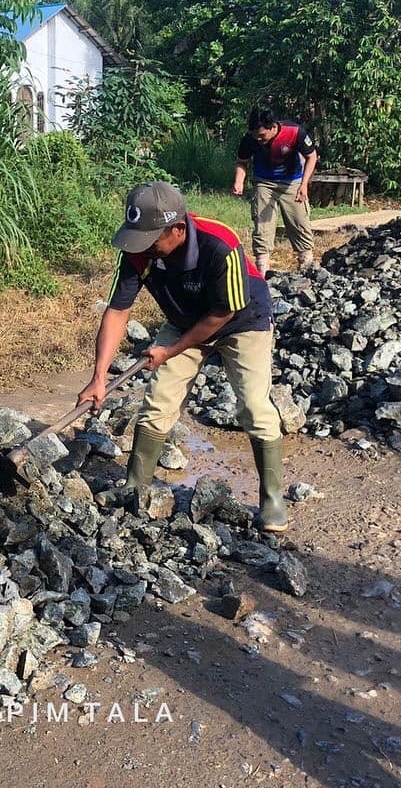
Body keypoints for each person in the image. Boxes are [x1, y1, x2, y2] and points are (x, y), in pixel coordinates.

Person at [77, 182, 288, 533]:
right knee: (158, 401)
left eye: (151, 241)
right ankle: (135, 488)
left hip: (241, 320)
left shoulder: (219, 244)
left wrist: (170, 351)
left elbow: (222, 314)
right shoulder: (139, 250)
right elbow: (117, 312)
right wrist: (98, 377)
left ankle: (273, 501)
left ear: (178, 229)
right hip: (183, 319)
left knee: (253, 405)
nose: (144, 249)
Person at [233, 105, 318, 275]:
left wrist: (304, 184)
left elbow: (311, 156)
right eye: (255, 136)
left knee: (299, 222)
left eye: (262, 136)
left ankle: (306, 266)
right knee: (262, 225)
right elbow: (242, 161)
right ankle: (263, 272)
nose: (259, 139)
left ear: (273, 127)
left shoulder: (294, 132)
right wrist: (239, 181)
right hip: (264, 182)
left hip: (292, 182)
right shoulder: (250, 139)